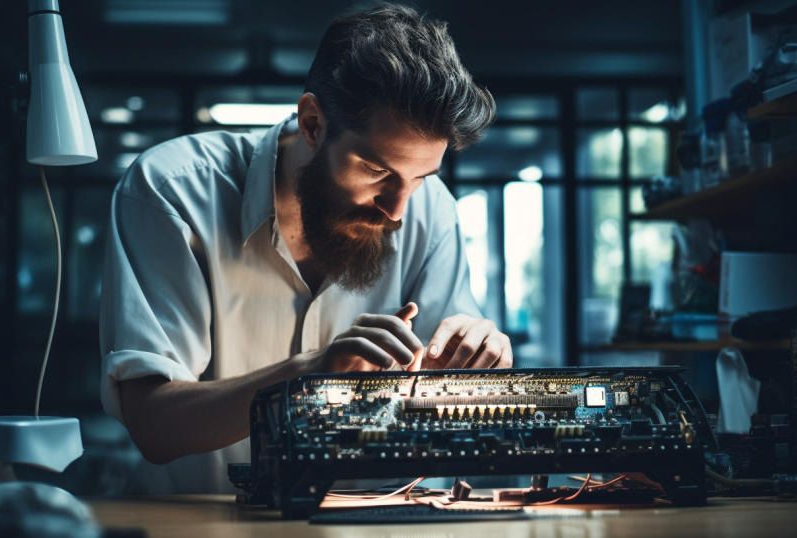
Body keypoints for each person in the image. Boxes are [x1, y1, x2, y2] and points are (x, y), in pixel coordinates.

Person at [99, 3, 512, 493]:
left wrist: (475, 362)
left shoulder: (432, 210)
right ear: (313, 123)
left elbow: (448, 405)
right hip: (202, 522)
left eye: (420, 177)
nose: (398, 210)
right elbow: (153, 426)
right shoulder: (172, 190)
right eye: (377, 172)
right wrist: (309, 375)